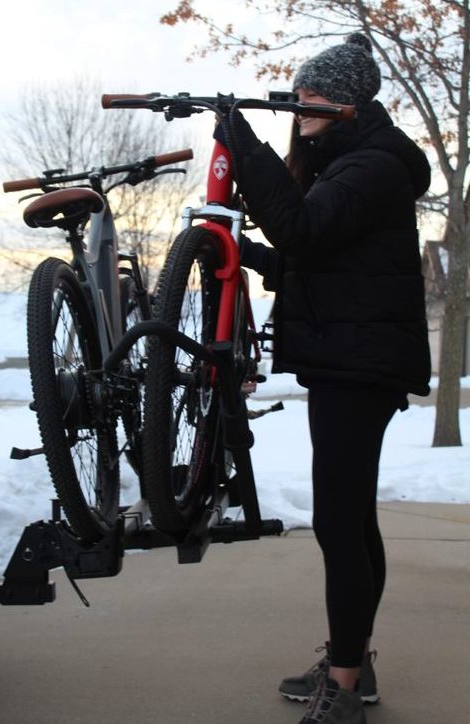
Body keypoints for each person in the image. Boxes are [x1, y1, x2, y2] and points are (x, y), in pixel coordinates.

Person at [214, 33, 431, 724]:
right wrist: (241, 251)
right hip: (351, 355)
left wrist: (245, 150)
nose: (299, 106)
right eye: (301, 95)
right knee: (351, 518)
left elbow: (302, 231)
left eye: (312, 96)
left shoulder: (376, 165)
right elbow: (316, 267)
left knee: (339, 521)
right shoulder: (349, 163)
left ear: (347, 103)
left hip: (360, 365)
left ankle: (343, 689)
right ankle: (353, 665)